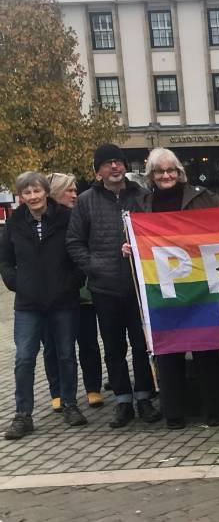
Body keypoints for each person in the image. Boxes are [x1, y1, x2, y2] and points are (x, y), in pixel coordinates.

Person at [129, 148, 219, 429]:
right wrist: (129, 246)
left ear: (179, 172)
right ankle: (174, 412)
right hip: (162, 288)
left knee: (205, 348)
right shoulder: (142, 203)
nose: (166, 175)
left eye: (170, 170)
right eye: (159, 171)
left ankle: (214, 410)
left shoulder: (201, 197)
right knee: (167, 351)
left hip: (199, 286)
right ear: (151, 175)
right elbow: (130, 233)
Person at [67, 143, 162, 427]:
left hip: (137, 284)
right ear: (98, 172)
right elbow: (74, 242)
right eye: (107, 163)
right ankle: (123, 400)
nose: (114, 167)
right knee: (113, 346)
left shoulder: (143, 197)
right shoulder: (85, 201)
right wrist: (95, 266)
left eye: (118, 162)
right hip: (105, 286)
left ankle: (144, 396)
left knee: (142, 343)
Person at [2, 172, 88, 439]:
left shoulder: (65, 218)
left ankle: (70, 404)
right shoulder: (15, 222)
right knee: (24, 358)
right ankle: (22, 414)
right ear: (20, 196)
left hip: (63, 300)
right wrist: (17, 282)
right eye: (26, 193)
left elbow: (78, 251)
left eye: (36, 191)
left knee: (65, 355)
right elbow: (5, 260)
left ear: (46, 192)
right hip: (28, 303)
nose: (32, 197)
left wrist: (71, 282)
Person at [43, 173, 105, 410]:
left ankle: (93, 388)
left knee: (88, 342)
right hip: (52, 296)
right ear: (55, 193)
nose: (74, 194)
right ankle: (57, 391)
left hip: (83, 292)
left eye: (74, 190)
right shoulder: (44, 221)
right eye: (68, 190)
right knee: (54, 346)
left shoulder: (81, 216)